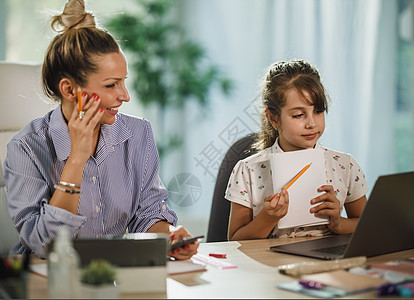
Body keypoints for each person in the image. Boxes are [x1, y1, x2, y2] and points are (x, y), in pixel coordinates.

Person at [3, 0, 198, 260]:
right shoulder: (26, 147)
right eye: (111, 85)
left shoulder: (138, 134)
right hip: (48, 280)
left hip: (112, 274)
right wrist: (76, 159)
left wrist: (170, 236)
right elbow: (44, 245)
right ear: (70, 90)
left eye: (123, 82)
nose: (125, 96)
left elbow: (148, 214)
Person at [225, 60, 368, 240]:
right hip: (270, 264)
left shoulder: (344, 165)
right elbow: (234, 240)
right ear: (274, 119)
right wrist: (267, 219)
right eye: (299, 115)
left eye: (318, 111)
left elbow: (367, 226)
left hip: (327, 263)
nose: (312, 123)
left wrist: (338, 223)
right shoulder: (249, 170)